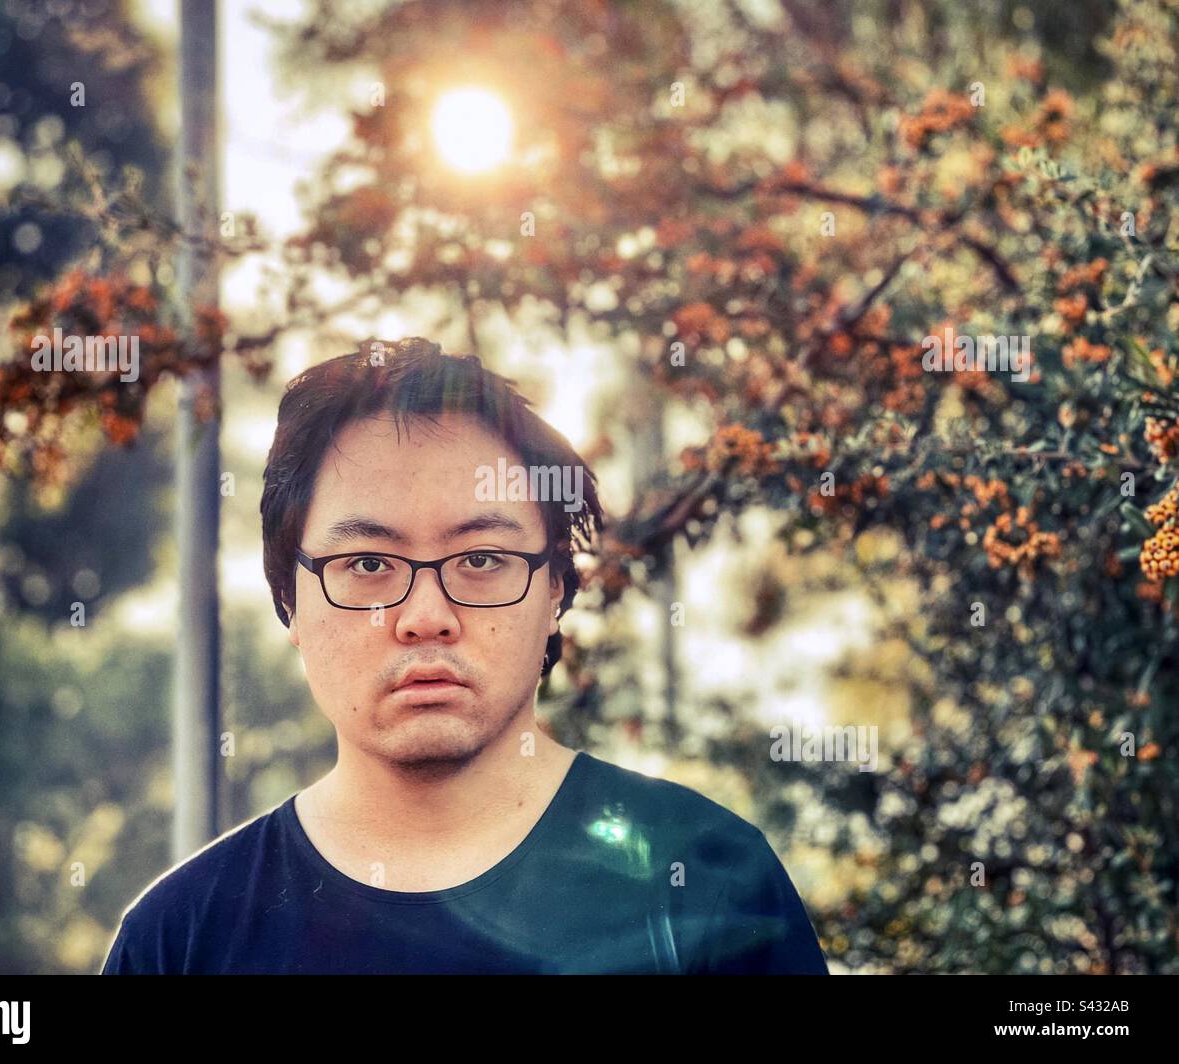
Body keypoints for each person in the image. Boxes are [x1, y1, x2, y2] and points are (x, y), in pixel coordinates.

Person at [101, 337, 828, 975]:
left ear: (554, 591)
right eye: (367, 563)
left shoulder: (710, 886)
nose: (426, 617)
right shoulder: (181, 940)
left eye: (481, 557)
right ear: (290, 598)